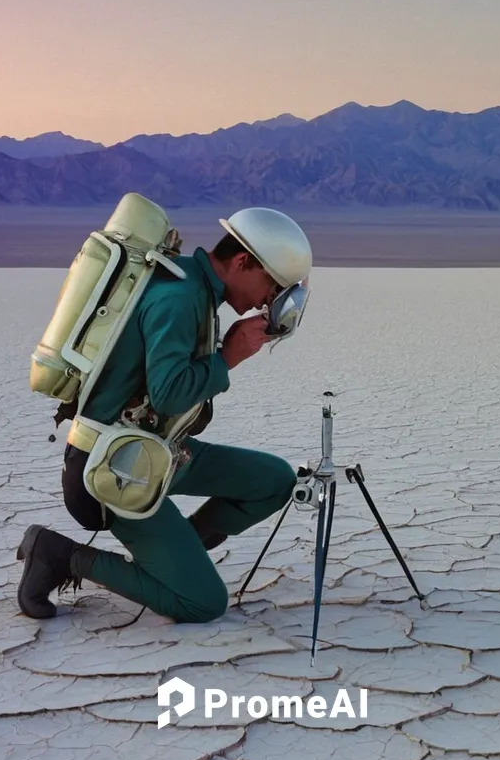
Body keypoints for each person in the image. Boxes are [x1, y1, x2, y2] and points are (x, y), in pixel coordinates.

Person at [16, 206, 313, 623]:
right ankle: (59, 555)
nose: (270, 300)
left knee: (274, 481)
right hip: (113, 470)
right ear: (243, 261)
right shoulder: (179, 297)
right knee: (203, 603)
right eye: (272, 285)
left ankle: (176, 555)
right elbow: (170, 395)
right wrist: (228, 358)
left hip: (158, 452)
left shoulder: (196, 289)